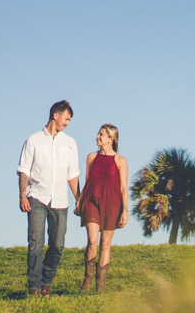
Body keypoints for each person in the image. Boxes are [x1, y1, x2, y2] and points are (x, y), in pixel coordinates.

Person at [17, 100, 81, 296]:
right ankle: (35, 286)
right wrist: (22, 195)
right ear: (56, 115)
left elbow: (73, 175)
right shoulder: (33, 140)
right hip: (37, 197)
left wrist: (79, 198)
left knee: (58, 245)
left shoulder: (70, 143)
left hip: (60, 201)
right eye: (66, 118)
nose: (67, 123)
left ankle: (47, 280)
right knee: (35, 243)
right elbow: (24, 170)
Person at [75, 123, 129, 292]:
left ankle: (100, 286)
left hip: (112, 204)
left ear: (111, 139)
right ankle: (87, 280)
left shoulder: (120, 161)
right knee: (92, 241)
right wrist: (79, 201)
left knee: (105, 244)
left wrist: (125, 211)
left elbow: (123, 188)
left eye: (101, 135)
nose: (97, 137)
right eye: (98, 134)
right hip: (92, 201)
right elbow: (87, 182)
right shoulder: (91, 157)